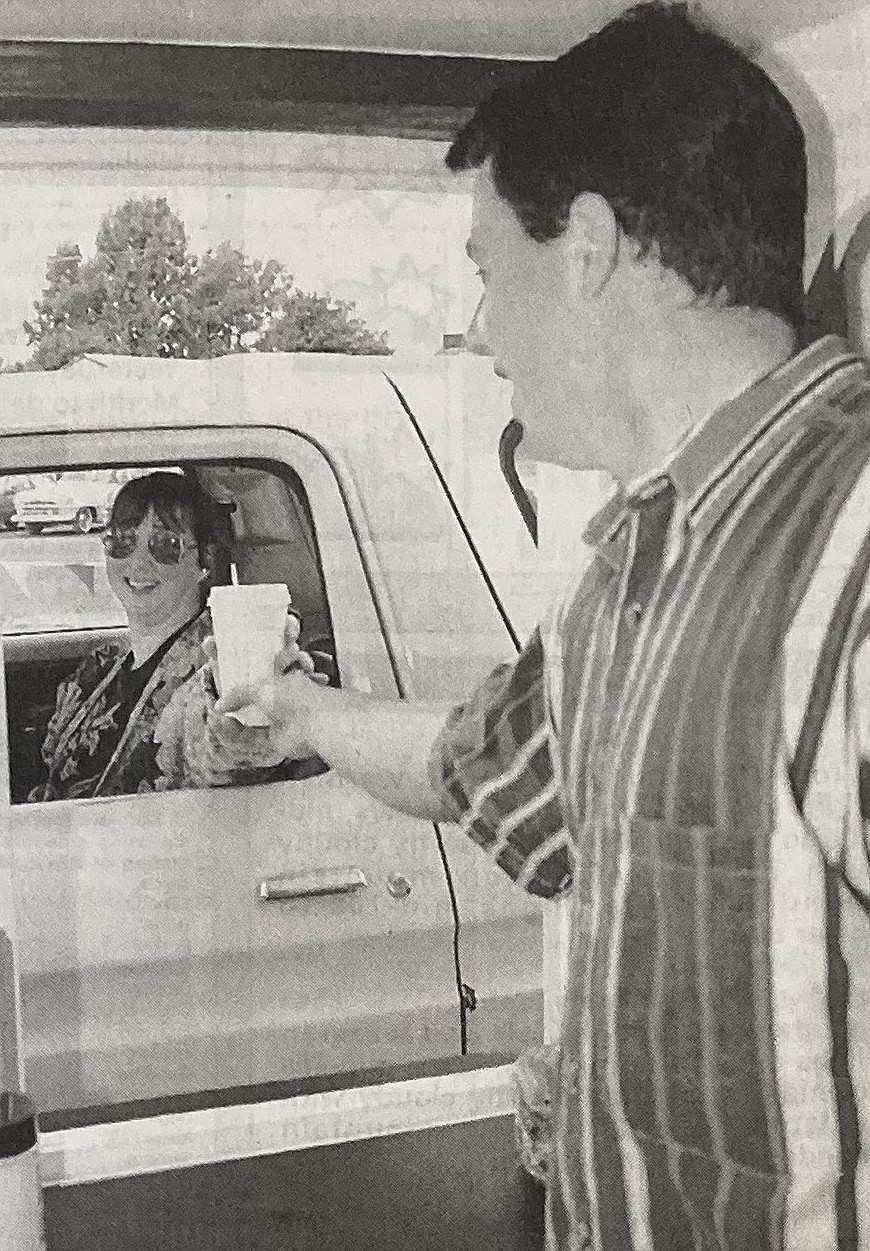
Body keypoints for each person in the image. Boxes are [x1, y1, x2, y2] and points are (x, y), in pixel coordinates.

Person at [189, 5, 870, 1248]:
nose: (481, 328)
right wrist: (293, 705)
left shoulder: (854, 544)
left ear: (593, 247)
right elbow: (478, 765)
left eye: (491, 270)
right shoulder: (630, 568)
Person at [28, 471, 226, 800]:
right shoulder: (98, 669)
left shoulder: (213, 674)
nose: (137, 562)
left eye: (166, 545)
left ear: (204, 561)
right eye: (123, 541)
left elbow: (228, 748)